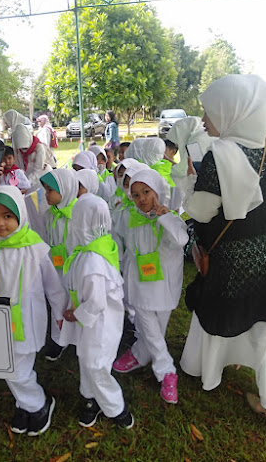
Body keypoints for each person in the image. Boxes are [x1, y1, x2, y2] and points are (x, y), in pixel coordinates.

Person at [179, 74, 266, 417]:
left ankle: (208, 372)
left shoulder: (220, 156)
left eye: (209, 111)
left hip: (229, 257)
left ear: (231, 112)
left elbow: (201, 212)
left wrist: (189, 181)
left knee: (216, 312)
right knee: (261, 322)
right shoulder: (263, 149)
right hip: (263, 250)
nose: (203, 119)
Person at [0, 186, 67, 436]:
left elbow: (53, 286)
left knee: (15, 369)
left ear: (20, 215)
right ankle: (27, 403)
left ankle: (38, 404)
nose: (0, 224)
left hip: (28, 319)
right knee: (10, 365)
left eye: (7, 216)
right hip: (1, 320)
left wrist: (59, 314)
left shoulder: (34, 248)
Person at [113, 169, 188, 405]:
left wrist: (164, 216)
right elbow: (120, 244)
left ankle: (140, 354)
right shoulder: (129, 217)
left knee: (156, 331)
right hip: (139, 286)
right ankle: (167, 372)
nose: (142, 198)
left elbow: (181, 240)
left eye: (146, 191)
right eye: (135, 194)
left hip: (164, 287)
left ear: (157, 190)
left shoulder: (170, 217)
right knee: (151, 330)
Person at [59, 193, 134, 429]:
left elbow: (96, 302)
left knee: (96, 364)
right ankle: (90, 397)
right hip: (90, 323)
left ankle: (116, 408)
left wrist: (73, 314)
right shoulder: (96, 247)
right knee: (86, 358)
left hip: (100, 325)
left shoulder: (93, 260)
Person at [39, 168, 78, 361]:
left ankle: (78, 338)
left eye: (49, 190)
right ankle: (59, 339)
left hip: (76, 267)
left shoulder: (78, 213)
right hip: (56, 267)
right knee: (57, 300)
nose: (46, 194)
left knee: (76, 301)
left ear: (65, 188)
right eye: (45, 189)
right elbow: (45, 238)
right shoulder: (48, 215)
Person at [4, 110, 56, 186]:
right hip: (28, 177)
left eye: (25, 148)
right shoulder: (19, 150)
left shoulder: (39, 148)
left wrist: (27, 182)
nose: (24, 151)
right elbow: (19, 165)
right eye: (22, 149)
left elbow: (38, 170)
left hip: (43, 177)